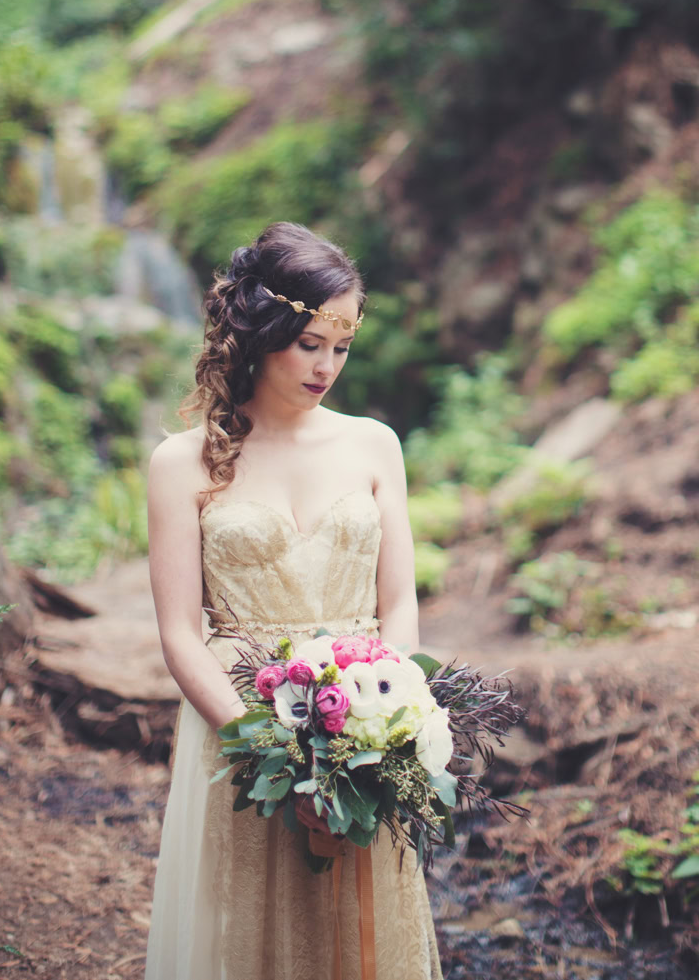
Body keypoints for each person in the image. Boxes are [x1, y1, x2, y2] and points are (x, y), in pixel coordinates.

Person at [144, 221, 443, 980]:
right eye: (310, 342)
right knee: (247, 935)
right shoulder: (181, 462)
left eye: (341, 346)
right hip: (242, 726)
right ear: (262, 328)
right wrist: (267, 744)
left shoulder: (375, 444)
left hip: (362, 726)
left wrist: (388, 711)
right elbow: (180, 633)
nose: (327, 365)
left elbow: (398, 601)